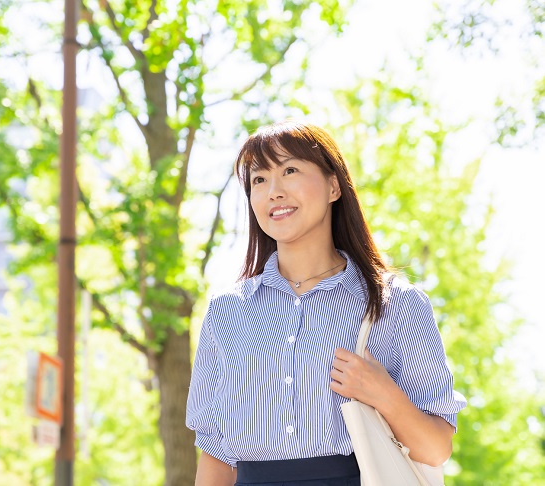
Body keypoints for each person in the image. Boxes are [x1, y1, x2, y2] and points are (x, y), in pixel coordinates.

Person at [186, 121, 467, 486]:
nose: (274, 191)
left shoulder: (397, 304)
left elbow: (436, 449)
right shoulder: (227, 312)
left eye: (290, 170)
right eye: (259, 179)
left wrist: (383, 393)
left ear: (334, 186)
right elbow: (216, 455)